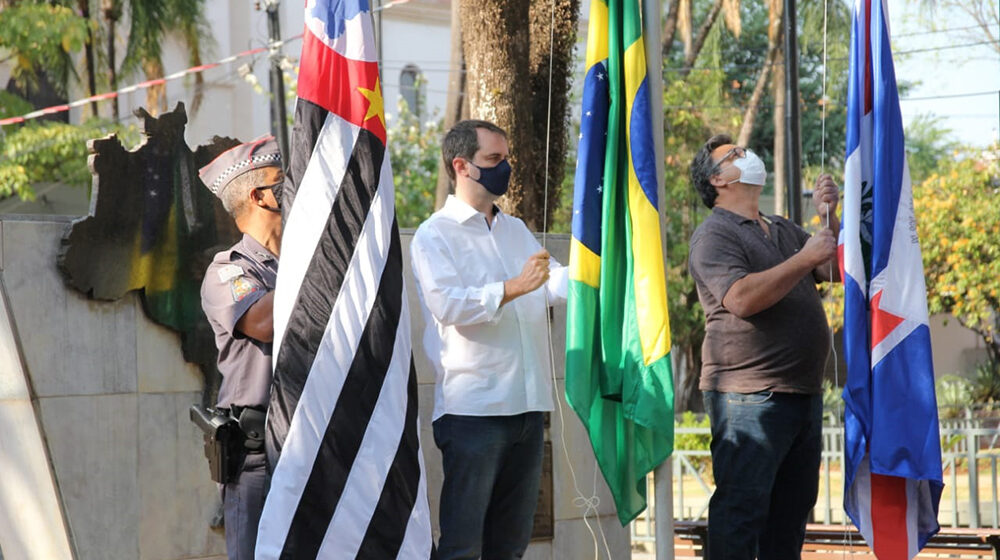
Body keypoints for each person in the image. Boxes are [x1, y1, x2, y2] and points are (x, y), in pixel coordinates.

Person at [410, 119, 567, 560]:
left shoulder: (514, 229)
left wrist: (600, 272)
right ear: (461, 166)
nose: (506, 168)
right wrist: (513, 286)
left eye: (506, 158)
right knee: (462, 545)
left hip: (529, 406)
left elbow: (553, 284)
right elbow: (449, 306)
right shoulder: (434, 234)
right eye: (494, 160)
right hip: (474, 411)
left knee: (511, 545)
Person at [687, 134, 840, 560]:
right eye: (734, 155)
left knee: (789, 519)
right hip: (750, 398)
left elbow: (833, 268)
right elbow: (740, 299)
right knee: (741, 516)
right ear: (717, 178)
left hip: (801, 396)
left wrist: (831, 219)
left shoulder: (782, 228)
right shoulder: (714, 234)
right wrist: (803, 259)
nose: (747, 155)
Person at [198, 136, 283, 560]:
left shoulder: (299, 262)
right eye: (284, 183)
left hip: (313, 436)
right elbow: (263, 323)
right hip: (258, 452)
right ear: (258, 196)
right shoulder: (228, 270)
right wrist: (315, 265)